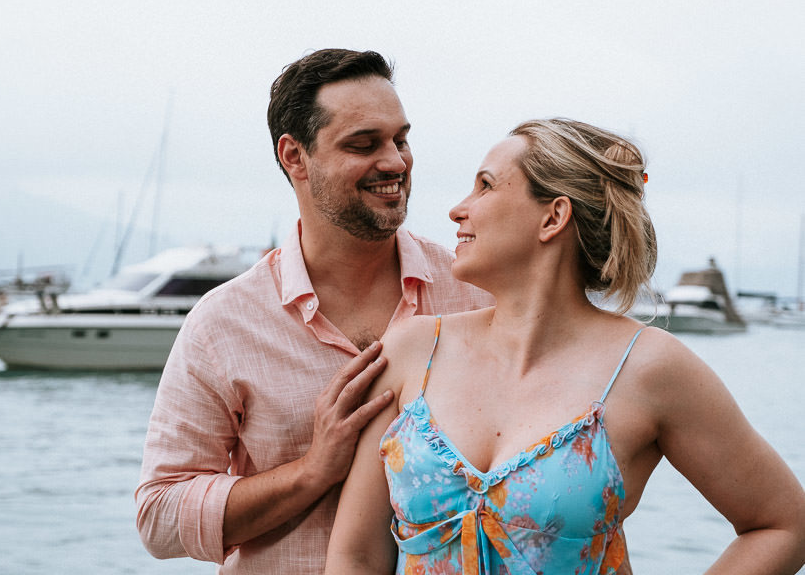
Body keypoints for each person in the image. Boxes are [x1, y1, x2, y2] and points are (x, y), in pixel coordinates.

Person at [325, 118, 805, 574]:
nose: (457, 208)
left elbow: (785, 525)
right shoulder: (413, 351)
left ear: (553, 217)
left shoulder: (649, 369)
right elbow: (357, 558)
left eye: (486, 185)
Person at [135, 48, 492, 574]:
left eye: (401, 138)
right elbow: (159, 517)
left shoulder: (476, 294)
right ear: (294, 157)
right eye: (364, 144)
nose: (395, 161)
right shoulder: (223, 324)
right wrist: (311, 471)